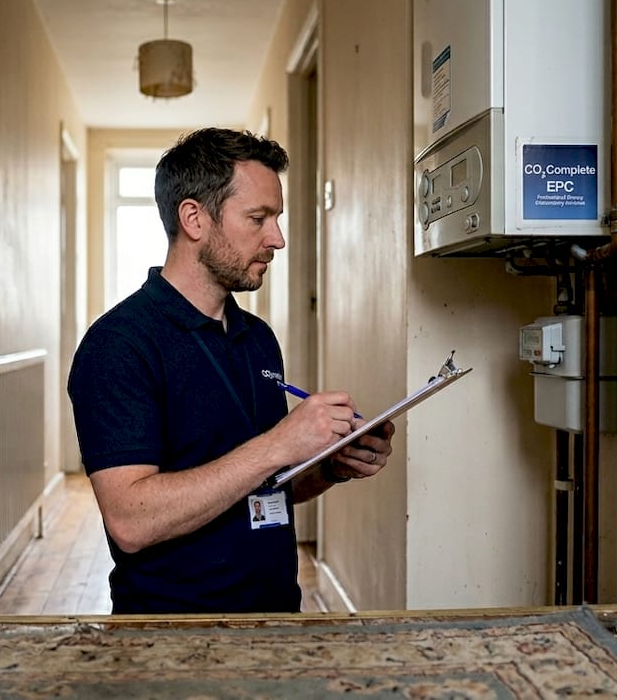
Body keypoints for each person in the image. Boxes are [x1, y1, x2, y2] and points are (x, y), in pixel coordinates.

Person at [67, 127, 395, 614]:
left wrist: (329, 465)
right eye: (258, 218)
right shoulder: (118, 345)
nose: (277, 239)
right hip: (171, 631)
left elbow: (265, 483)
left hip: (276, 612)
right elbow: (130, 522)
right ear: (194, 218)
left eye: (277, 218)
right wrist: (279, 443)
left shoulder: (257, 338)